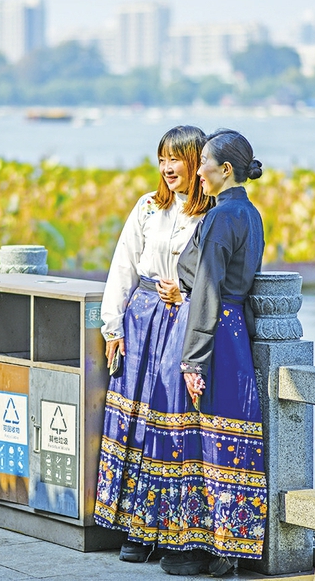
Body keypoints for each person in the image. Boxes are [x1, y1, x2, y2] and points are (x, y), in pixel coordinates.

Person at [93, 126, 212, 562]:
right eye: (162, 159)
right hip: (142, 318)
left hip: (183, 322)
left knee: (172, 424)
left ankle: (167, 531)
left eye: (176, 159)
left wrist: (185, 296)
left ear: (198, 162)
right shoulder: (147, 207)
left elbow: (214, 277)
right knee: (134, 419)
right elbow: (122, 265)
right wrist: (113, 327)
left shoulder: (210, 212)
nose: (167, 168)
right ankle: (135, 530)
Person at [158, 129, 266, 577]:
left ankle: (204, 548)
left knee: (202, 439)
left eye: (203, 162)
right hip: (235, 332)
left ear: (225, 170)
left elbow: (206, 287)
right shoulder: (250, 214)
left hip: (212, 332)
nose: (196, 169)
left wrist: (193, 358)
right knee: (231, 437)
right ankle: (232, 548)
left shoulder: (222, 218)